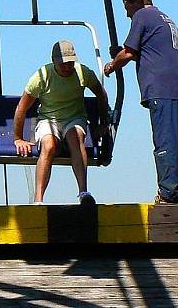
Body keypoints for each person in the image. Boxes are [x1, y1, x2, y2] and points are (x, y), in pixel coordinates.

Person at [104, 0, 178, 204]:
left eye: (128, 8)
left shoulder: (143, 15)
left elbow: (130, 51)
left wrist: (112, 65)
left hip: (161, 88)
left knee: (165, 142)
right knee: (177, 143)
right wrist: (121, 55)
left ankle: (168, 195)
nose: (127, 14)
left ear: (136, 1)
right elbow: (147, 51)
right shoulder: (164, 18)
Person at [13, 40, 108, 205]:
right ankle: (38, 199)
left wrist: (103, 122)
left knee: (75, 138)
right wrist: (18, 138)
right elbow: (22, 107)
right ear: (54, 61)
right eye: (63, 63)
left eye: (70, 63)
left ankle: (83, 192)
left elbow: (101, 94)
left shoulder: (83, 73)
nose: (67, 67)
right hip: (48, 120)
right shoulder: (42, 76)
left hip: (74, 118)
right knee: (49, 145)